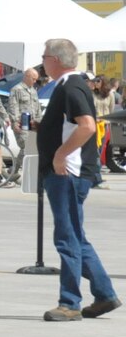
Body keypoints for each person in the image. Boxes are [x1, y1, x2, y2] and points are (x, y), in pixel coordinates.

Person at [38, 38, 119, 321]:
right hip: (68, 173)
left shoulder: (71, 86)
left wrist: (60, 155)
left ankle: (70, 302)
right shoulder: (68, 86)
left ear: (56, 60)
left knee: (67, 238)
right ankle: (105, 294)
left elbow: (86, 126)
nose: (43, 59)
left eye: (45, 55)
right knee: (75, 236)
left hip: (67, 173)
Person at [8, 66, 43, 161]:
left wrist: (39, 123)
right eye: (33, 79)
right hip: (22, 124)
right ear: (27, 76)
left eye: (36, 79)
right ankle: (25, 171)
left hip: (33, 125)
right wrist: (15, 122)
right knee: (27, 147)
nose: (35, 81)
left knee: (29, 148)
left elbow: (38, 108)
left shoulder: (33, 91)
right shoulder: (16, 89)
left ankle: (13, 170)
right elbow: (13, 107)